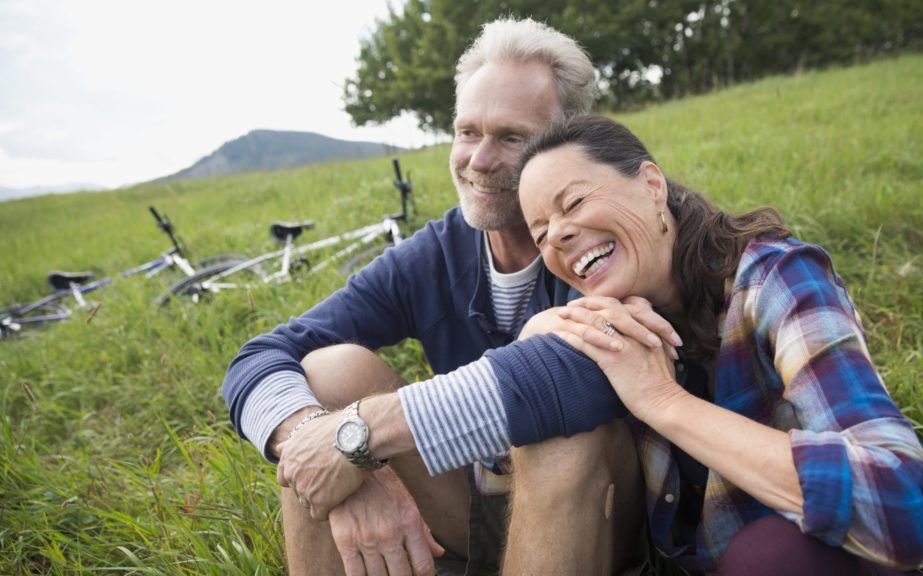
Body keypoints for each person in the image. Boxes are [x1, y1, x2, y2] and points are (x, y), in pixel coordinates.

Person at [223, 17, 665, 576]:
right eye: (467, 132)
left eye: (511, 138)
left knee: (561, 437)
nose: (478, 162)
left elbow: (584, 378)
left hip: (598, 513)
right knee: (329, 373)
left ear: (567, 142)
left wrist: (359, 436)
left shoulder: (599, 236)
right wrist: (321, 441)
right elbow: (259, 357)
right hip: (471, 506)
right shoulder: (433, 254)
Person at [497, 114, 923, 574]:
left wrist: (663, 401)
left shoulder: (778, 280)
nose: (557, 235)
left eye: (574, 201)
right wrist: (535, 350)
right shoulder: (619, 328)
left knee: (769, 557)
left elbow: (900, 505)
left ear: (652, 186)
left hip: (844, 561)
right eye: (541, 233)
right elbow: (510, 471)